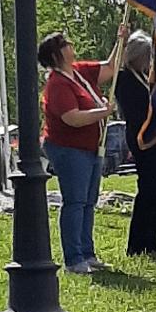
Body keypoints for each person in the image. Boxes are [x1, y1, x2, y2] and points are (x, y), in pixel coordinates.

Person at [38, 26, 127, 274]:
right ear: (56, 54)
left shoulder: (79, 73)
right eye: (65, 44)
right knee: (75, 201)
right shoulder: (57, 84)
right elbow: (72, 118)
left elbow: (110, 68)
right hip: (68, 149)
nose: (71, 46)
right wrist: (102, 112)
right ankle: (74, 258)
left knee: (89, 201)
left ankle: (87, 253)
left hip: (90, 147)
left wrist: (120, 40)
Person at [115, 30, 156, 257]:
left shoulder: (146, 77)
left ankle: (152, 239)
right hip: (142, 136)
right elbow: (136, 112)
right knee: (148, 188)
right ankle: (138, 242)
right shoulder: (125, 79)